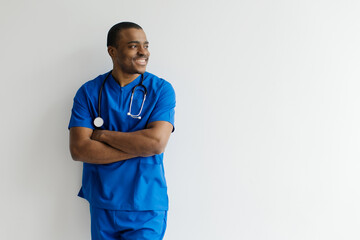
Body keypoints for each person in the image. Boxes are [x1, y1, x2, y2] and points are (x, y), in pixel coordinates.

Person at [68, 22, 176, 240]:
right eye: (133, 46)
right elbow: (79, 149)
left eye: (145, 45)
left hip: (146, 205)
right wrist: (141, 147)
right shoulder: (89, 92)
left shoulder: (161, 90)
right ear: (112, 51)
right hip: (102, 203)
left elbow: (156, 143)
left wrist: (103, 135)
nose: (143, 52)